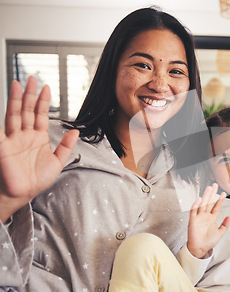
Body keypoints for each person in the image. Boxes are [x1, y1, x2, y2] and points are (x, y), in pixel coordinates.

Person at [0, 7, 209, 291]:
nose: (161, 84)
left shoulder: (192, 172)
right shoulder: (53, 143)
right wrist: (7, 199)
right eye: (142, 65)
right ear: (113, 70)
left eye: (175, 71)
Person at [108, 106, 230, 291]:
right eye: (224, 159)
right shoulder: (202, 208)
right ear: (209, 171)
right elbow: (179, 280)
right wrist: (196, 250)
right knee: (141, 246)